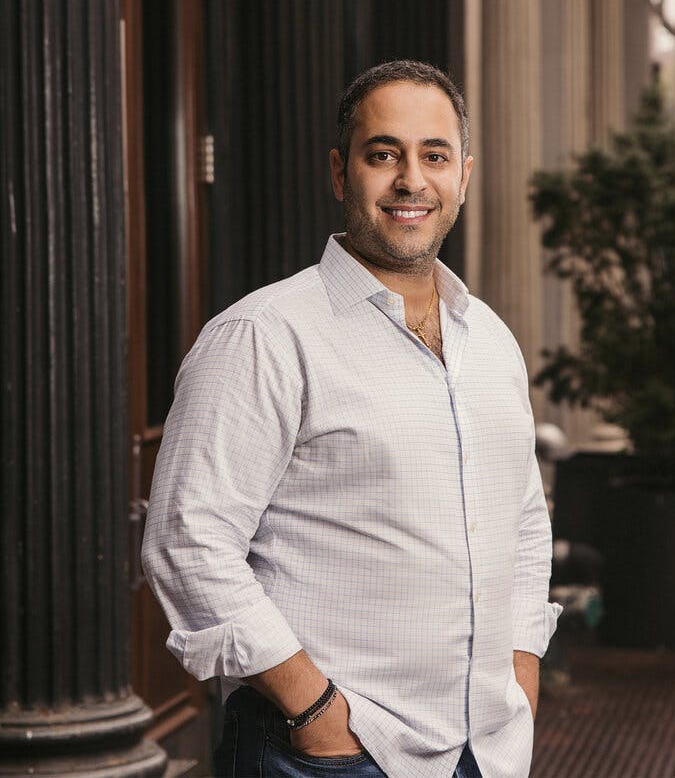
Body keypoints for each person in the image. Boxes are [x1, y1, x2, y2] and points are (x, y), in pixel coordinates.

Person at [142, 60, 561, 778]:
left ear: (463, 174)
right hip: (327, 755)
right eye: (383, 154)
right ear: (341, 174)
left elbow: (521, 521)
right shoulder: (264, 336)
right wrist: (314, 713)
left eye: (433, 156)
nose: (410, 180)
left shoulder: (490, 339)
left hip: (486, 750)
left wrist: (521, 670)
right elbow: (188, 541)